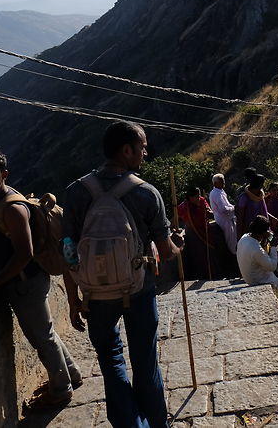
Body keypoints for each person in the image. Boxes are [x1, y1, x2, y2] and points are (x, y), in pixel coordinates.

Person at [63, 120, 180, 428]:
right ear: (126, 150)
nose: (145, 153)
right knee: (146, 364)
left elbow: (68, 252)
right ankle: (157, 424)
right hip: (139, 289)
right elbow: (166, 252)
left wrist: (74, 300)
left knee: (111, 361)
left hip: (95, 294)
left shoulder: (76, 192)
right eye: (142, 147)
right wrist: (177, 246)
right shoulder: (147, 193)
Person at [0, 149, 83, 409]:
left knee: (42, 338)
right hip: (25, 280)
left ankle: (61, 390)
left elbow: (24, 253)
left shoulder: (11, 207)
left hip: (26, 282)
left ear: (3, 174)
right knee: (45, 331)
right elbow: (7, 239)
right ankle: (71, 375)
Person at [237, 215, 278, 294]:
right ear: (263, 233)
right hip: (258, 280)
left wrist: (264, 239)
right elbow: (272, 267)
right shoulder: (255, 249)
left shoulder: (244, 238)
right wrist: (273, 247)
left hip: (250, 277)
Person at [176, 186, 215, 280]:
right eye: (196, 196)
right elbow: (175, 219)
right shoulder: (183, 207)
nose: (198, 198)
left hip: (205, 231)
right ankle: (201, 276)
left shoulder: (202, 200)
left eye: (199, 195)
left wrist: (208, 211)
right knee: (198, 256)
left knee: (209, 254)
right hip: (193, 233)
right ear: (190, 197)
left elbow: (210, 213)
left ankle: (213, 274)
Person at [236, 173, 268, 240]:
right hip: (248, 232)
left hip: (260, 231)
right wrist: (239, 237)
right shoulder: (244, 198)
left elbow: (264, 212)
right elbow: (240, 218)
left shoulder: (260, 196)